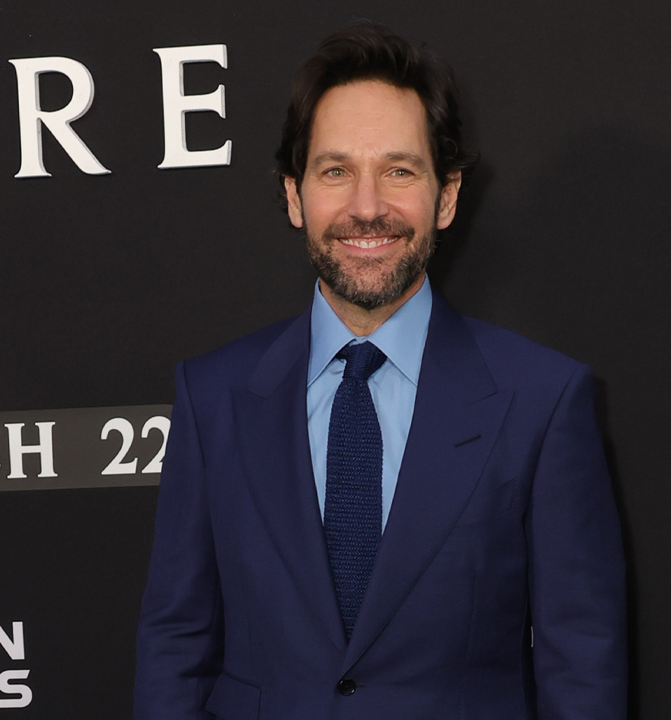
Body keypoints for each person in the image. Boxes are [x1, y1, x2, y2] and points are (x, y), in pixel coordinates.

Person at [135, 24, 626, 720]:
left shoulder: (543, 401)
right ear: (294, 195)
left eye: (399, 170)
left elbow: (582, 665)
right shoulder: (214, 396)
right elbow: (176, 643)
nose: (367, 207)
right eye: (336, 171)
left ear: (447, 195)